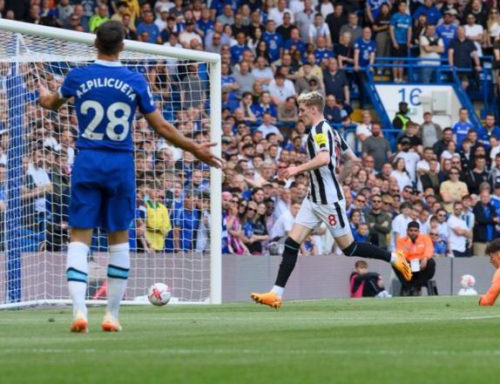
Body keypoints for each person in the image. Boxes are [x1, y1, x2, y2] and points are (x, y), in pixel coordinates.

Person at [37, 21, 222, 333]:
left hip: (87, 159)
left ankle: (80, 312)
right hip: (120, 164)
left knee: (80, 237)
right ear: (122, 46)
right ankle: (111, 315)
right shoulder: (134, 80)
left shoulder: (78, 75)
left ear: (95, 43)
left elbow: (52, 104)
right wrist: (195, 149)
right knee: (119, 239)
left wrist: (43, 94)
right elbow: (161, 127)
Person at [250, 91, 411, 309]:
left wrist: (296, 169)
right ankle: (275, 294)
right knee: (291, 243)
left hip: (328, 202)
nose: (300, 114)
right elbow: (353, 160)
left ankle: (393, 257)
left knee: (350, 248)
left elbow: (325, 158)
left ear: (314, 109)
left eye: (303, 110)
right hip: (313, 198)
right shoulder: (331, 131)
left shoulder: (319, 131)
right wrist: (338, 179)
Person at [395, 221, 436, 296]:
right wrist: (408, 242)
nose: (413, 233)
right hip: (408, 266)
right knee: (395, 262)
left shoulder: (425, 238)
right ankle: (409, 286)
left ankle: (416, 286)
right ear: (407, 231)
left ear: (419, 231)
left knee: (431, 262)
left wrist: (425, 258)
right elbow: (400, 255)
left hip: (422, 266)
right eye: (411, 230)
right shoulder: (401, 241)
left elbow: (429, 249)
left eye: (415, 231)